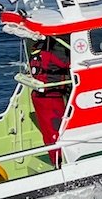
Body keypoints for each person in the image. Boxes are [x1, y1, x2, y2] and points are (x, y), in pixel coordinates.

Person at [30, 36, 72, 164]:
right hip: (50, 97)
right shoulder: (49, 55)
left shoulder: (35, 54)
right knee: (56, 129)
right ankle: (60, 160)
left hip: (39, 96)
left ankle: (54, 158)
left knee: (47, 131)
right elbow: (66, 63)